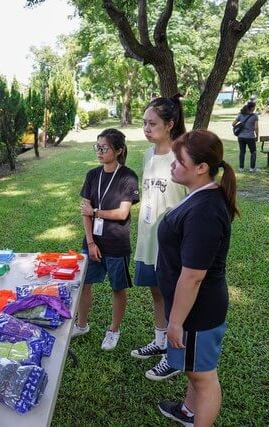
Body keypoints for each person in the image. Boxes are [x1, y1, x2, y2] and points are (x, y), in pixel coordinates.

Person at [156, 130, 238, 427]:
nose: (173, 164)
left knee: (204, 378)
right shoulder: (200, 196)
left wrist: (175, 322)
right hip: (193, 308)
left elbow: (192, 277)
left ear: (202, 168)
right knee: (194, 369)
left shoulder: (205, 210)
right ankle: (188, 412)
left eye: (180, 160)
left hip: (197, 310)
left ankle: (197, 417)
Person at [131, 96, 187, 382]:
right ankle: (160, 340)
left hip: (172, 242)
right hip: (148, 236)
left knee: (175, 296)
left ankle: (175, 357)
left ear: (170, 125)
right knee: (156, 291)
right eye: (144, 123)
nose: (146, 128)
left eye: (152, 123)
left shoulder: (182, 156)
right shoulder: (147, 155)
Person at [72, 128, 139, 351]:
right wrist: (90, 242)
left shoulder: (128, 177)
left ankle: (114, 330)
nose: (99, 151)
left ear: (118, 151)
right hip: (92, 242)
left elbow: (122, 214)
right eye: (97, 147)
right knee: (85, 284)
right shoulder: (92, 175)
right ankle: (81, 325)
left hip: (116, 243)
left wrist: (95, 212)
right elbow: (84, 210)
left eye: (104, 148)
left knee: (117, 288)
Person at [232, 101, 259, 172]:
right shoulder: (254, 116)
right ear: (252, 108)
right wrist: (257, 136)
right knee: (253, 152)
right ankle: (252, 168)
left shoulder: (241, 115)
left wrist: (240, 126)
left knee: (242, 152)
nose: (254, 108)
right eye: (254, 107)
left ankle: (241, 168)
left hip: (241, 137)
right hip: (250, 137)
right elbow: (256, 127)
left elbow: (233, 124)